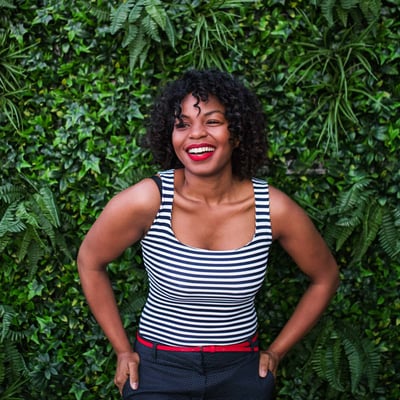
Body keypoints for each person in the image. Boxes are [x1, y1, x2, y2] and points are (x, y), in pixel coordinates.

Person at [77, 69, 339, 399]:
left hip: (241, 372)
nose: (196, 135)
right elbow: (89, 261)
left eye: (212, 121)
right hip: (158, 371)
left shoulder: (273, 208)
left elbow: (325, 276)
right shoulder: (149, 200)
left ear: (238, 133)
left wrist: (276, 352)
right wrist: (122, 350)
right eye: (182, 124)